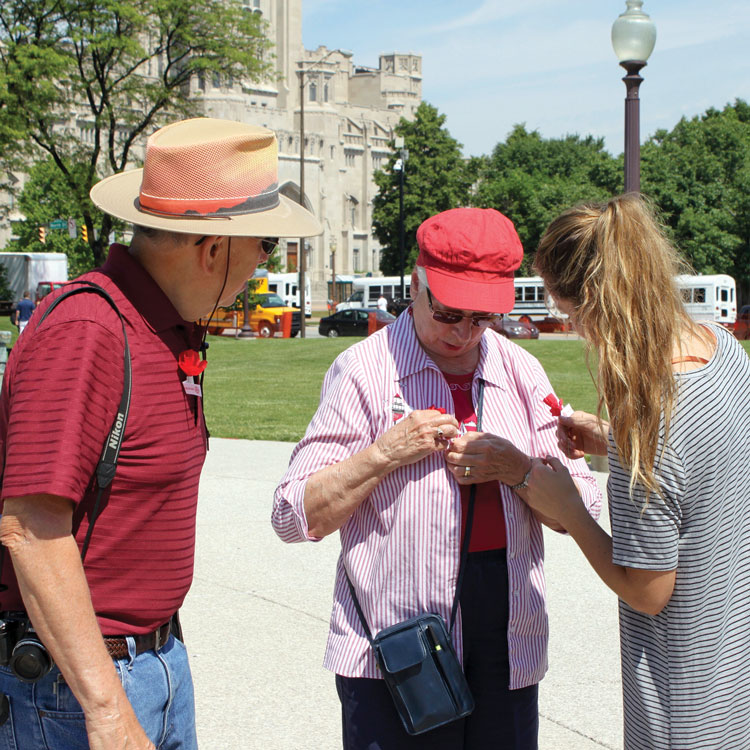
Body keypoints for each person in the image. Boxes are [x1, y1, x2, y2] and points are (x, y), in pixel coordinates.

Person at [0, 118, 321, 749]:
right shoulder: (89, 329)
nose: (262, 265)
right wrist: (108, 708)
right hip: (73, 688)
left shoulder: (166, 326)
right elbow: (31, 529)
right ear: (210, 249)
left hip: (151, 662)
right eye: (261, 246)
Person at [272, 207, 601, 750]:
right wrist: (383, 454)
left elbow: (580, 506)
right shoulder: (364, 371)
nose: (464, 333)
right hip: (396, 650)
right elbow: (291, 515)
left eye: (483, 318)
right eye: (449, 314)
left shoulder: (518, 370)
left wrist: (516, 471)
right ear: (417, 283)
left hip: (505, 638)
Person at [523, 193, 750, 750]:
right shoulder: (724, 352)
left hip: (682, 708)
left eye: (572, 316)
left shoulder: (647, 422)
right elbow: (706, 475)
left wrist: (570, 511)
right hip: (734, 677)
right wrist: (612, 443)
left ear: (597, 301)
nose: (577, 330)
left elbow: (648, 592)